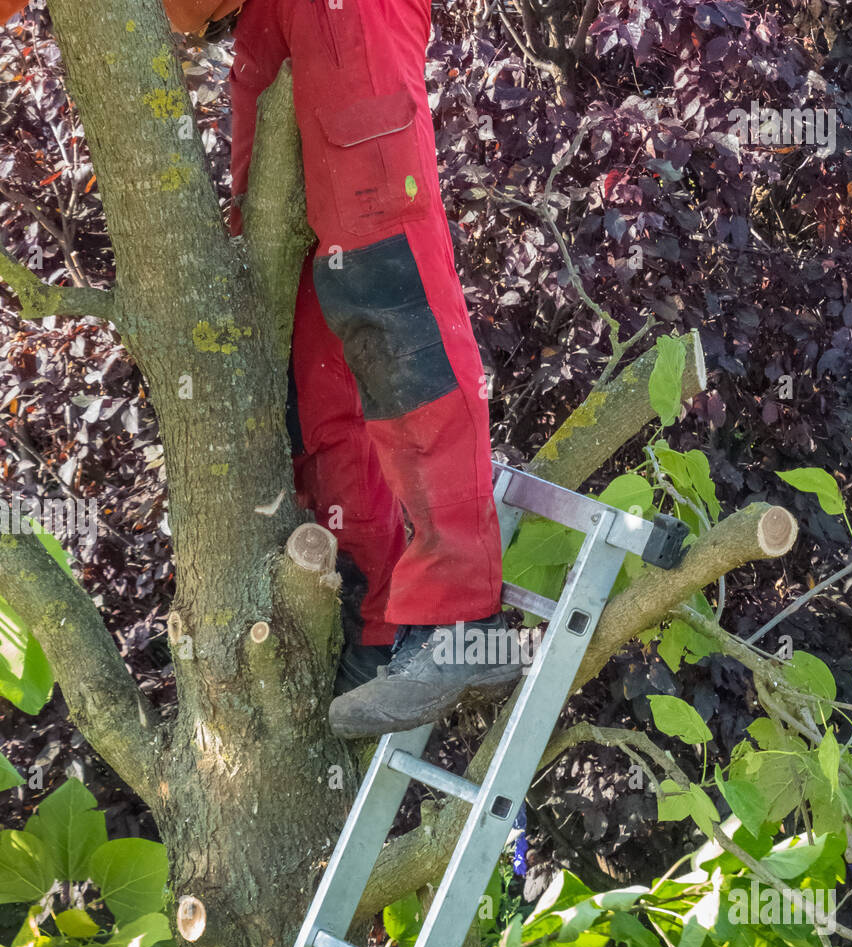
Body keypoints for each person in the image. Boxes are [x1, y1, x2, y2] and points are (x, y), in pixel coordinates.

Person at [1, 0, 523, 737]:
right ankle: (375, 626)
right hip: (257, 25)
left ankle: (460, 614)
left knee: (388, 286)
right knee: (295, 340)